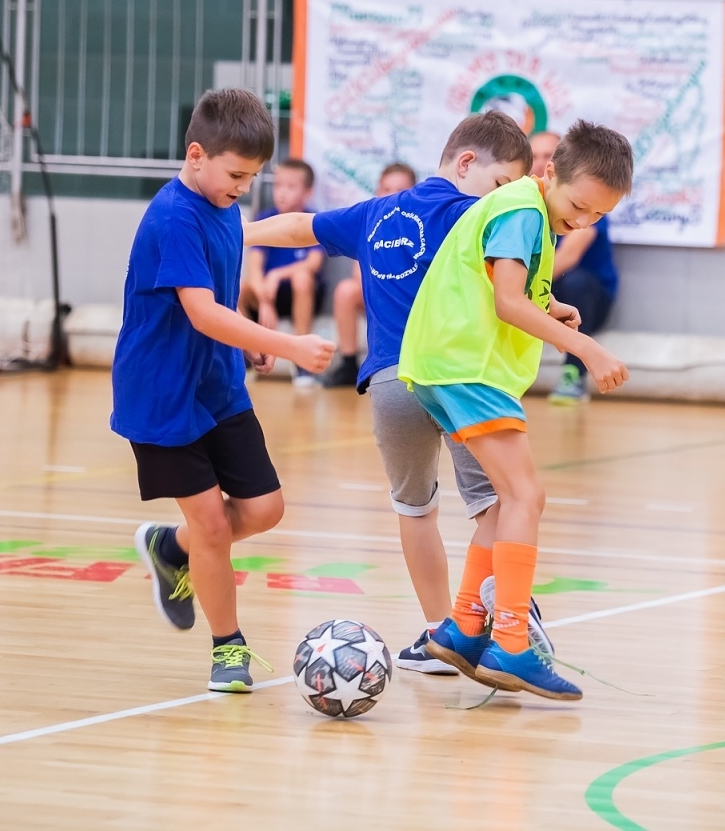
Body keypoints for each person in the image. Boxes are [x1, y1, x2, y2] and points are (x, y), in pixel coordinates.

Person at [244, 113, 533, 673]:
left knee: (414, 507)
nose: (503, 198)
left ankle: (436, 633)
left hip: (389, 382)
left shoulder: (377, 212)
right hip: (456, 378)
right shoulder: (477, 217)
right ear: (468, 164)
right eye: (502, 183)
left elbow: (298, 227)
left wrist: (236, 232)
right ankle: (483, 621)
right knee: (498, 503)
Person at [111, 89, 335, 692]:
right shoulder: (173, 216)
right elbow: (203, 313)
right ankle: (228, 648)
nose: (242, 186)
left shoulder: (222, 206)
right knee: (212, 524)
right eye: (236, 174)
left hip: (216, 382)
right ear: (195, 154)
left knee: (264, 509)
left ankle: (170, 548)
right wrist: (286, 343)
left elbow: (220, 293)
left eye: (252, 177)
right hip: (161, 394)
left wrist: (246, 342)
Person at [404, 119, 633, 701]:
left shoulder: (536, 213)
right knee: (527, 496)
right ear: (548, 170)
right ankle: (509, 642)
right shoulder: (523, 210)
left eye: (598, 218)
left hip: (452, 366)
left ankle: (461, 626)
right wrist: (582, 345)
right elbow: (506, 302)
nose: (583, 222)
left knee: (510, 500)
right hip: (464, 366)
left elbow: (507, 287)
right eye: (580, 206)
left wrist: (551, 306)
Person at [530, 131, 622, 405]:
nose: (584, 220)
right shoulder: (526, 205)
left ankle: (573, 374)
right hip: (547, 295)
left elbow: (565, 260)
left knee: (574, 280)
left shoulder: (584, 206)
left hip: (587, 299)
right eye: (533, 156)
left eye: (547, 154)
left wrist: (528, 294)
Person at [321, 162, 418, 388]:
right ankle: (348, 363)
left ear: (413, 193)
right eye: (386, 189)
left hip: (410, 301)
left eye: (399, 190)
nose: (391, 196)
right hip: (378, 294)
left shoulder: (417, 226)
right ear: (377, 191)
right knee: (346, 291)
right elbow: (359, 273)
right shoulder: (370, 224)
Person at [241, 158, 324, 387]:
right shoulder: (265, 218)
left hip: (301, 293)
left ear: (307, 192)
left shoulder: (313, 221)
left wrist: (277, 275)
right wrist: (263, 300)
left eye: (290, 187)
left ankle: (303, 365)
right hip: (268, 295)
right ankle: (246, 359)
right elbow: (254, 266)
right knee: (238, 288)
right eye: (278, 186)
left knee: (302, 279)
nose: (282, 193)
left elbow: (313, 264)